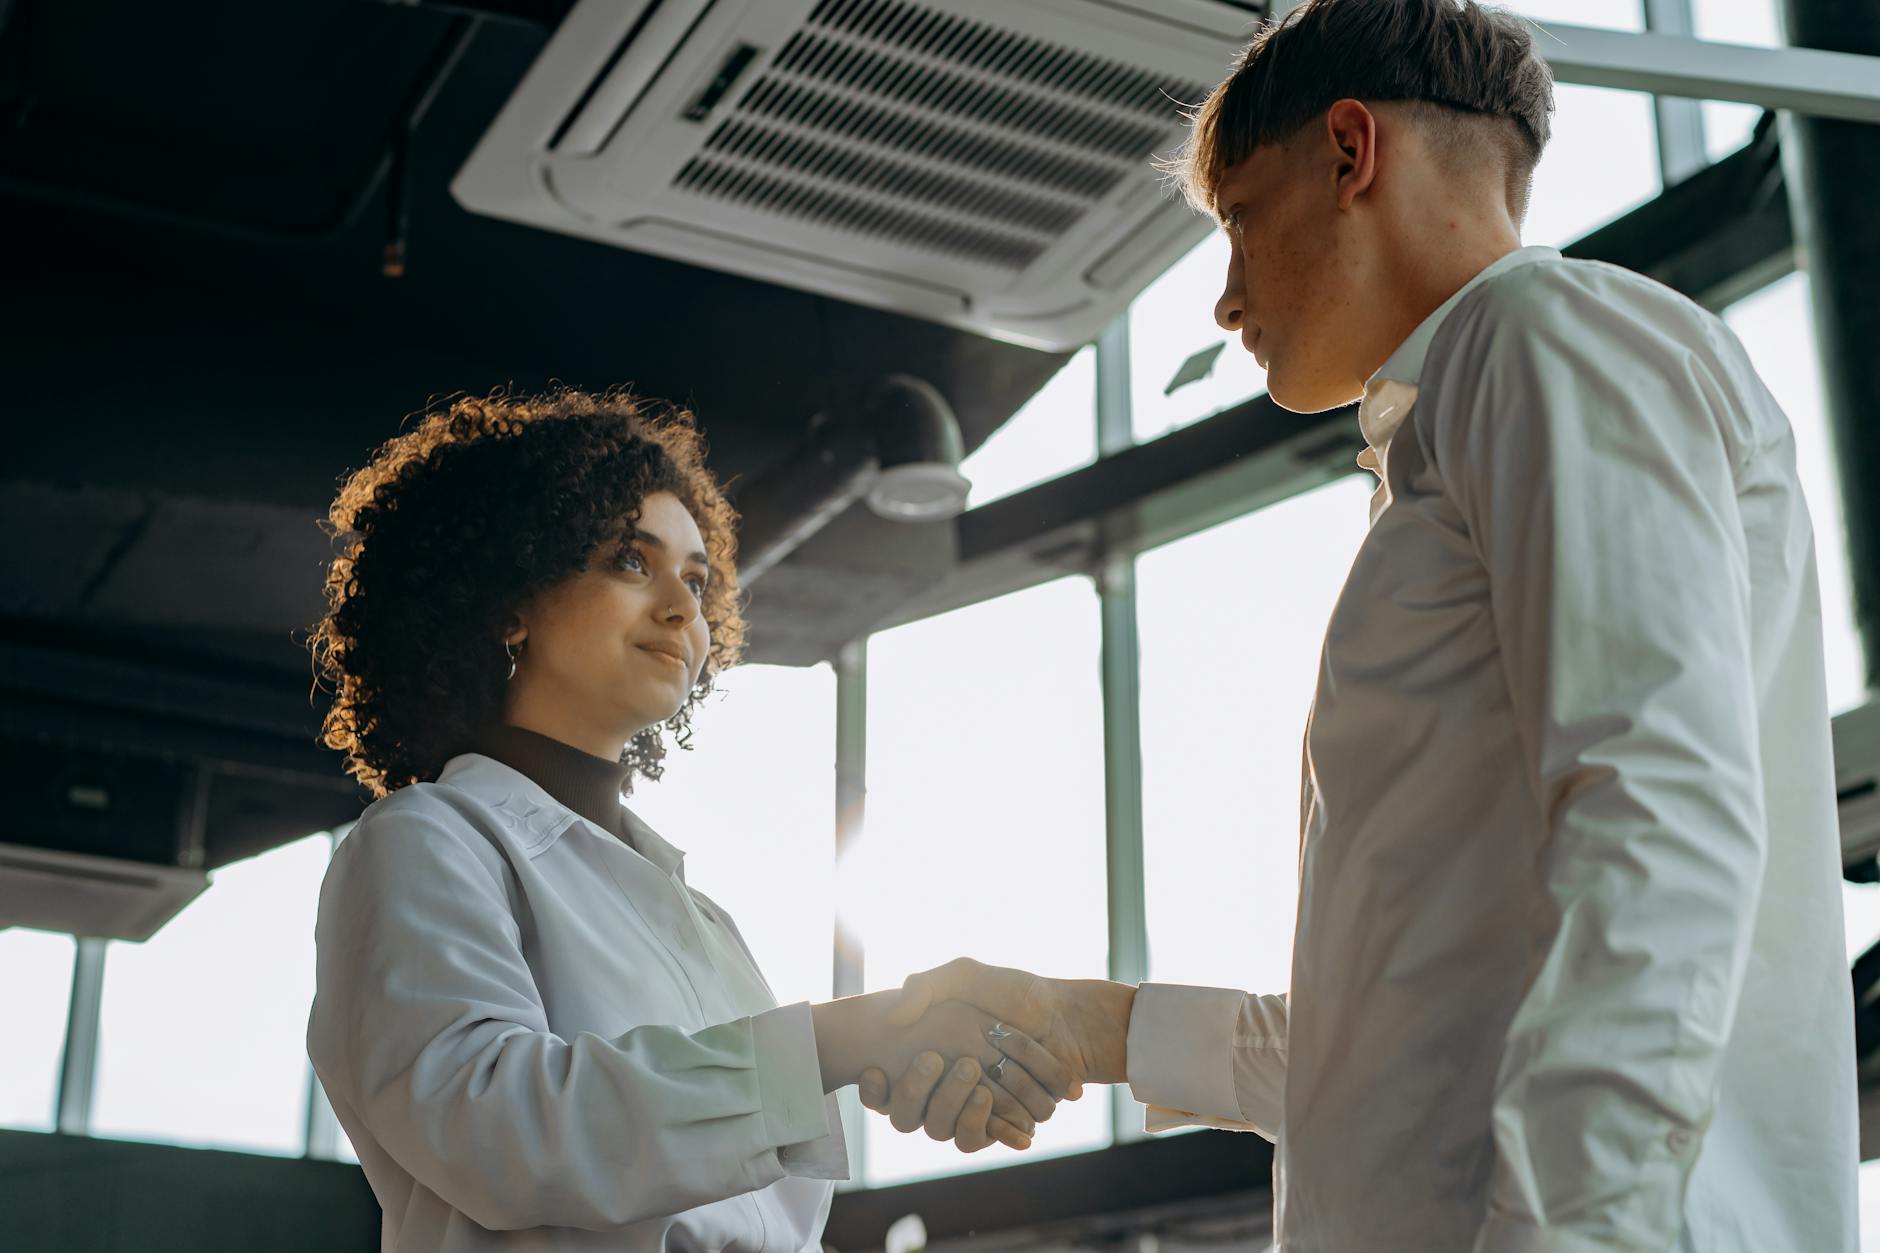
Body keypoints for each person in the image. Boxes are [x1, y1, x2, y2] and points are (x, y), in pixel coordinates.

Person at [861, 1, 1859, 1248]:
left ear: (1349, 152)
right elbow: (1408, 1044)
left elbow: (1654, 812)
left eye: (1235, 221)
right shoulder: (1483, 397)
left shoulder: (1539, 333)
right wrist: (1090, 1026)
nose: (1224, 301)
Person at [304, 389, 1071, 1253]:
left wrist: (892, 1054)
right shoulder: (423, 841)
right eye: (632, 561)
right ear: (509, 597)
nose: (682, 607)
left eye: (698, 579)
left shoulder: (708, 925)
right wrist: (842, 1041)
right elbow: (499, 1131)